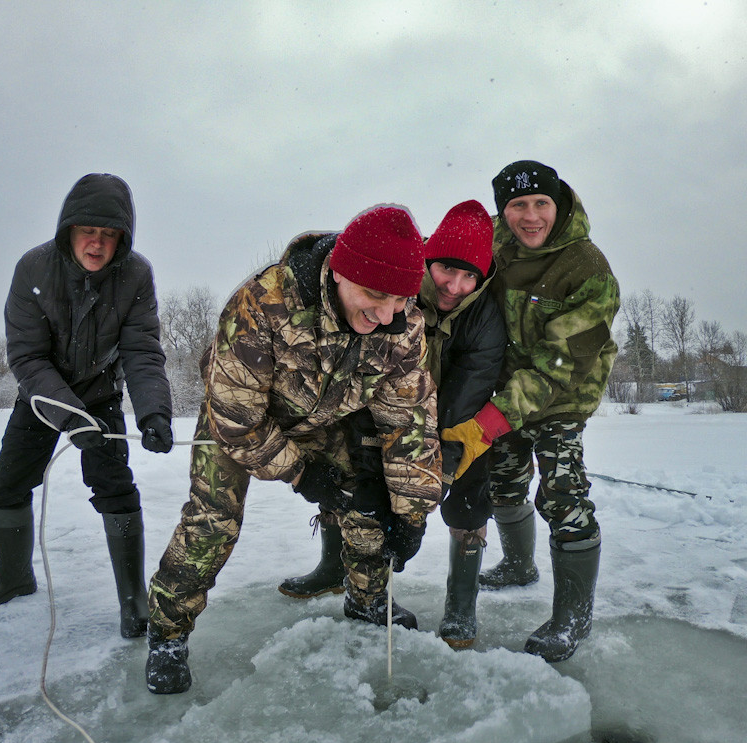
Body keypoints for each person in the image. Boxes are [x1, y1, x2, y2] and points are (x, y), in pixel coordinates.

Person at [145, 205, 442, 694]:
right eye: (375, 295)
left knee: (371, 496)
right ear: (343, 273)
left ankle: (367, 598)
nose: (388, 313)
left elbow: (408, 419)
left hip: (324, 417)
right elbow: (238, 421)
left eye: (400, 298)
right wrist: (301, 475)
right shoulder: (262, 304)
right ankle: (168, 631)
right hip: (240, 417)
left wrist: (412, 513)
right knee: (213, 519)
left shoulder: (402, 327)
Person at [278, 200, 507, 651]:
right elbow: (364, 367)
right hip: (379, 405)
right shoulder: (395, 286)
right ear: (428, 260)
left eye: (469, 277)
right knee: (351, 477)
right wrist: (377, 458)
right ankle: (336, 568)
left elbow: (463, 399)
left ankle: (461, 603)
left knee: (466, 495)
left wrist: (423, 486)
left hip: (452, 419)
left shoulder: (485, 319)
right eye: (446, 270)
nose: (455, 286)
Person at [0, 173, 174, 639]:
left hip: (100, 394)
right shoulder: (33, 268)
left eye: (109, 234)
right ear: (69, 229)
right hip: (39, 397)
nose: (97, 244)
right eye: (88, 232)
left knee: (115, 488)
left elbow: (141, 350)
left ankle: (133, 599)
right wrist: (69, 417)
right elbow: (27, 356)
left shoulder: (136, 274)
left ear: (122, 238)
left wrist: (154, 412)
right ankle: (13, 576)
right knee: (6, 488)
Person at [442, 160, 620, 662]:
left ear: (558, 204)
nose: (531, 215)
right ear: (504, 211)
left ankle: (572, 617)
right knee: (503, 482)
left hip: (563, 392)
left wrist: (490, 421)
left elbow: (560, 365)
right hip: (505, 394)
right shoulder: (495, 252)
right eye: (518, 205)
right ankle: (519, 566)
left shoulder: (587, 266)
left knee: (563, 492)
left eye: (541, 203)